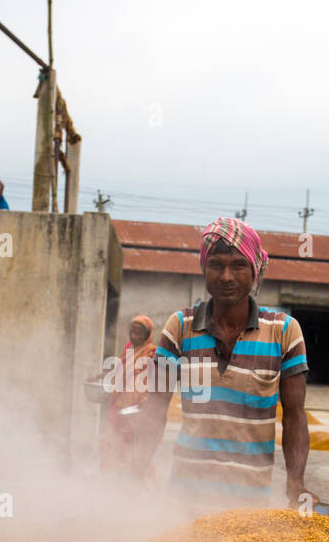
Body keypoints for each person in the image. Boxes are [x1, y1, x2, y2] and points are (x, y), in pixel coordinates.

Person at [131, 217, 313, 509]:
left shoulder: (284, 331)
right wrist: (137, 464)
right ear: (204, 269)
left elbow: (294, 416)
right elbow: (155, 404)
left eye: (239, 265)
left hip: (250, 503)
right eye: (216, 264)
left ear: (255, 271)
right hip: (183, 498)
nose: (227, 276)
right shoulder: (180, 326)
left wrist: (296, 481)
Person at [98, 316, 158, 473]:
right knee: (111, 445)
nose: (134, 337)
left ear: (147, 335)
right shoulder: (129, 351)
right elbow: (119, 371)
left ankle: (140, 486)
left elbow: (155, 380)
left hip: (137, 410)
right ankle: (111, 482)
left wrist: (147, 399)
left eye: (139, 334)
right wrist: (100, 377)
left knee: (134, 450)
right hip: (119, 406)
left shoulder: (152, 353)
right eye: (132, 333)